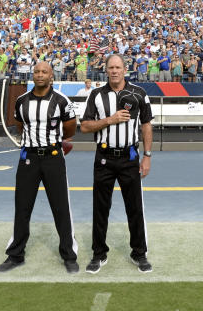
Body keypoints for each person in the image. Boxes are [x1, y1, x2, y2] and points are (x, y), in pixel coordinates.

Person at [0, 61, 80, 274]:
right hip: (29, 158)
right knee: (22, 207)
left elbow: (70, 128)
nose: (40, 75)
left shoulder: (62, 100)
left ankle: (69, 254)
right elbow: (19, 125)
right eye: (37, 71)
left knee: (61, 207)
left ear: (51, 75)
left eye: (44, 72)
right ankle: (15, 254)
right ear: (32, 75)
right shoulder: (22, 101)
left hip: (53, 156)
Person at [79, 54, 154, 274]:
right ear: (106, 70)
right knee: (100, 208)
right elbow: (84, 126)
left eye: (118, 67)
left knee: (135, 208)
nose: (114, 71)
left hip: (130, 157)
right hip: (103, 158)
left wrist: (147, 156)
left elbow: (147, 125)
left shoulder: (139, 93)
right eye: (110, 67)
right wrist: (109, 120)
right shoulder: (95, 95)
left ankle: (139, 253)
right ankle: (99, 254)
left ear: (124, 69)